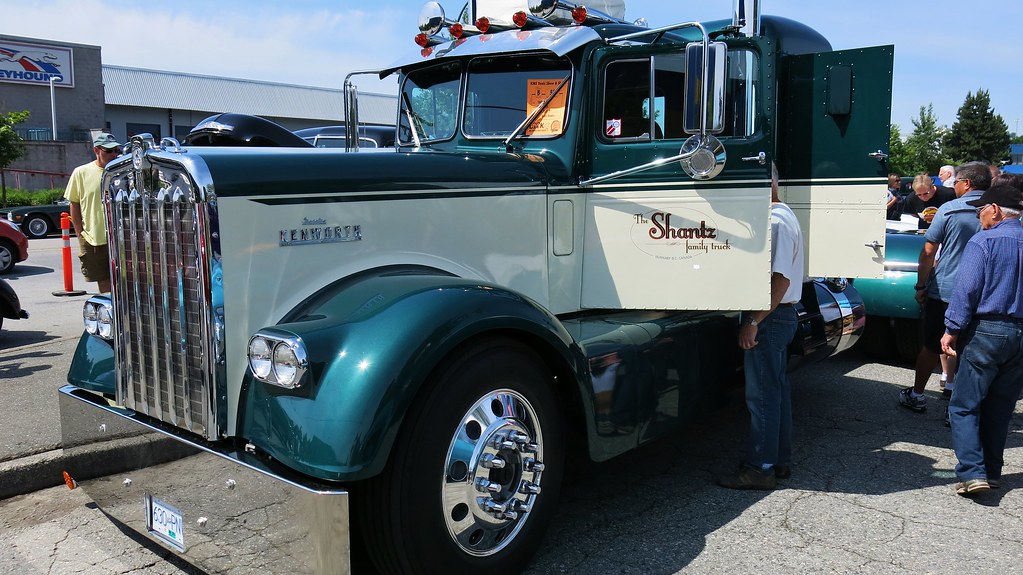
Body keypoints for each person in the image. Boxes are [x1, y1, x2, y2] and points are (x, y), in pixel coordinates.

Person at [717, 162, 804, 490]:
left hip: (771, 317)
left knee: (763, 396)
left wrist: (753, 320)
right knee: (777, 392)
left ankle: (760, 468)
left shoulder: (776, 221)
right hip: (782, 315)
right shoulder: (786, 214)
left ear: (768, 183)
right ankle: (778, 461)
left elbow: (780, 278)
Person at [940, 184, 1023, 496]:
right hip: (1020, 334)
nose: (979, 216)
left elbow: (967, 291)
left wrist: (951, 328)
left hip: (987, 330)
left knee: (963, 405)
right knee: (1000, 407)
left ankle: (973, 473)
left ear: (997, 210)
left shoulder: (984, 241)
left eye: (982, 210)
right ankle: (993, 471)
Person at [898, 162, 990, 414]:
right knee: (968, 350)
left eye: (957, 181)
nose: (953, 186)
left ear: (967, 183)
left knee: (931, 345)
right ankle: (957, 406)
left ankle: (917, 394)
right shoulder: (999, 209)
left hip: (946, 288)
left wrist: (920, 284)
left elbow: (928, 252)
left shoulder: (949, 209)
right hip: (983, 293)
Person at [65, 133, 120, 294]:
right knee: (103, 282)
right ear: (96, 150)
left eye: (116, 150)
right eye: (109, 151)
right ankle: (110, 316)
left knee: (124, 281)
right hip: (94, 238)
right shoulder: (81, 172)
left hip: (120, 239)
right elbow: (74, 204)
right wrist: (79, 233)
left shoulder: (123, 172)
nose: (114, 155)